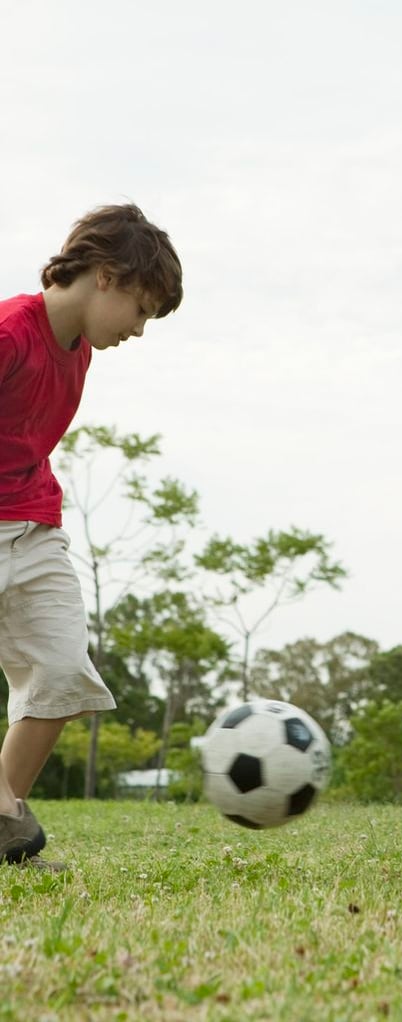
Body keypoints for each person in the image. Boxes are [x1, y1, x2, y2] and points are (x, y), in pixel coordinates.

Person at [0, 204, 183, 870]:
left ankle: (1, 820)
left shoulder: (79, 352)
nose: (140, 328)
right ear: (106, 276)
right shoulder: (10, 332)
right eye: (142, 308)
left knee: (61, 673)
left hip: (35, 524)